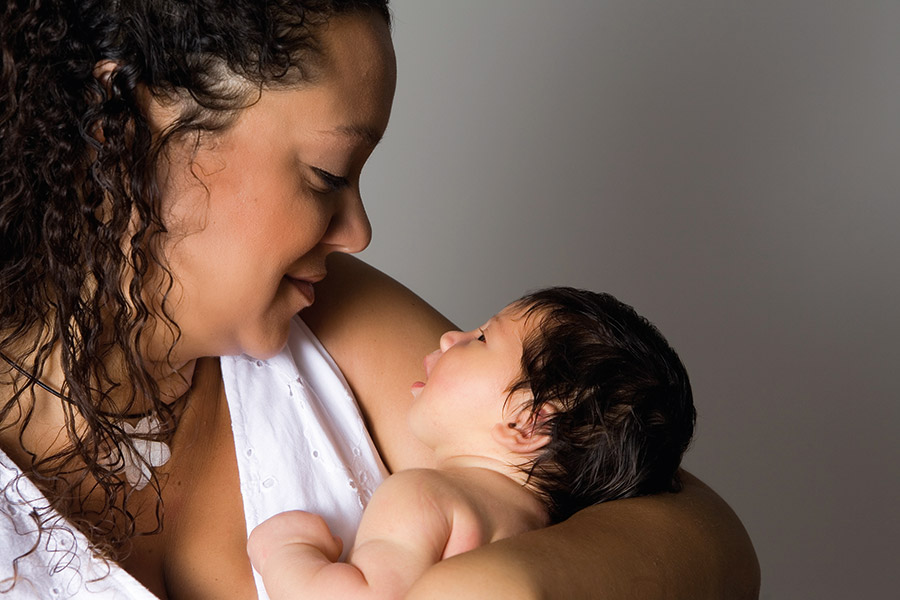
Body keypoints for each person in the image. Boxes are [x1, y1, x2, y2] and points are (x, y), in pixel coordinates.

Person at [0, 1, 759, 599]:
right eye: (327, 175)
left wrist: (508, 584)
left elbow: (706, 538)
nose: (358, 232)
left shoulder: (328, 313)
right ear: (122, 129)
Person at [247, 287, 697, 599]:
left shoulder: (424, 496)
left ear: (527, 421)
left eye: (482, 338)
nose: (450, 336)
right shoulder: (542, 531)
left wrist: (285, 552)